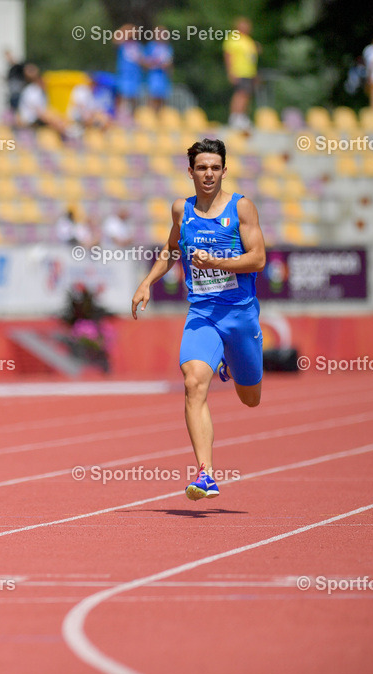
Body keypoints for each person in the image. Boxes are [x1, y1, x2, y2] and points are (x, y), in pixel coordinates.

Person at [131, 138, 266, 501]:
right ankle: (206, 473)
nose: (209, 174)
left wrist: (217, 262)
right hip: (202, 313)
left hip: (239, 315)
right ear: (190, 171)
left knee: (250, 398)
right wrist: (147, 282)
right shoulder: (181, 210)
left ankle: (231, 362)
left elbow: (257, 259)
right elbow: (171, 249)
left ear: (224, 170)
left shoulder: (241, 208)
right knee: (193, 382)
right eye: (202, 168)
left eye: (215, 167)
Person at [223, 18, 260, 130]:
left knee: (247, 95)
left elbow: (251, 58)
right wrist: (230, 71)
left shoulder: (248, 40)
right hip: (239, 71)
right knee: (240, 94)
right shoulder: (234, 39)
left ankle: (242, 116)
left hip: (249, 72)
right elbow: (228, 55)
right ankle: (235, 117)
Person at [114, 24, 142, 119]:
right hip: (124, 75)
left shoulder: (138, 46)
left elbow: (142, 60)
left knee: (133, 98)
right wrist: (126, 29)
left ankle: (133, 117)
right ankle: (118, 116)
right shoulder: (123, 44)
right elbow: (115, 38)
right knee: (121, 96)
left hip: (135, 76)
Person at [142, 28, 173, 112]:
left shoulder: (167, 47)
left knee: (163, 97)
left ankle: (161, 115)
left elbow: (170, 62)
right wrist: (154, 64)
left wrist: (168, 69)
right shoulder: (150, 46)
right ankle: (151, 113)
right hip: (153, 75)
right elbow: (145, 62)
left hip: (163, 76)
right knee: (153, 96)